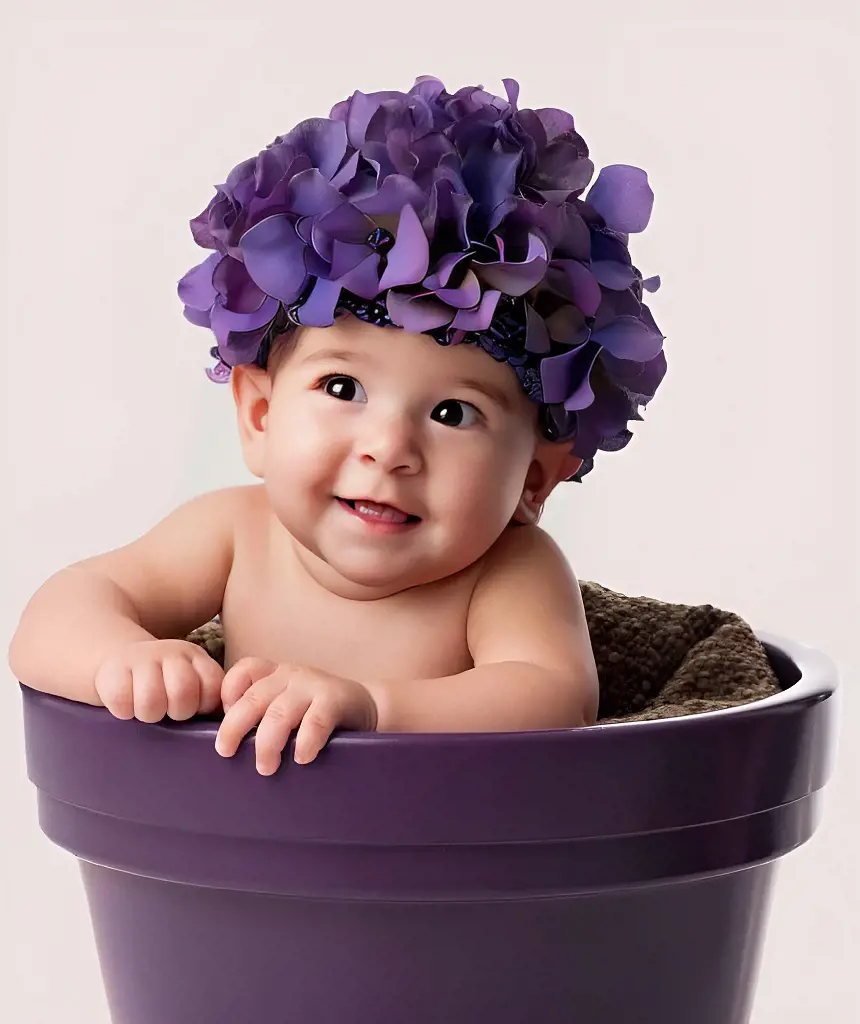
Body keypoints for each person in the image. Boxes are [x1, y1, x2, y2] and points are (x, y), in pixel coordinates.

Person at [8, 76, 666, 773]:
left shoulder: (508, 572)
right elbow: (58, 613)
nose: (388, 450)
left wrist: (375, 707)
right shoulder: (235, 534)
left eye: (453, 413)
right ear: (260, 415)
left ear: (535, 477)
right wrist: (126, 661)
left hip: (446, 864)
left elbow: (552, 697)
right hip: (236, 852)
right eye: (342, 386)